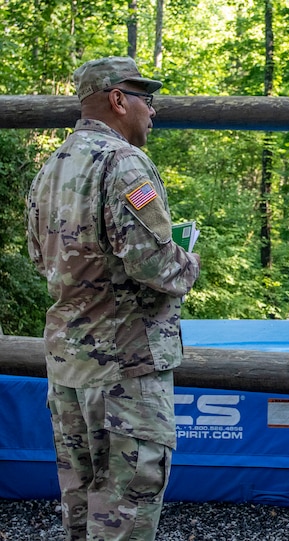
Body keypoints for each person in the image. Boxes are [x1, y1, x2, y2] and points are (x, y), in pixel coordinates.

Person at [27, 56, 200, 541]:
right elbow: (153, 264)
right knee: (124, 511)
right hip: (125, 367)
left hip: (68, 369)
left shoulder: (53, 166)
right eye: (147, 99)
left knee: (82, 508)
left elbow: (44, 259)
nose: (153, 110)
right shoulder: (124, 163)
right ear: (118, 100)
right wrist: (189, 261)